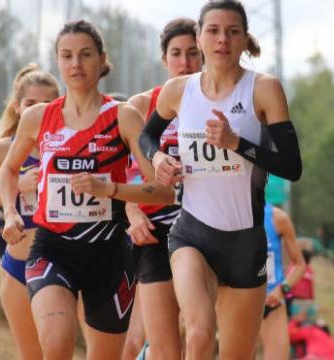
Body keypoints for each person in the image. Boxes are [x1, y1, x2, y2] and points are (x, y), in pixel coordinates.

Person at [0, 20, 174, 359]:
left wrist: (110, 189)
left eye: (85, 55)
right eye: (66, 56)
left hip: (109, 254)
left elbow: (163, 191)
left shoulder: (123, 116)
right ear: (58, 61)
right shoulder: (37, 117)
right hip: (52, 248)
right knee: (56, 343)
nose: (76, 64)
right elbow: (8, 168)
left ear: (101, 59)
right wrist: (9, 212)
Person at [138, 0, 302, 357]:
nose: (222, 40)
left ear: (245, 40)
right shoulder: (179, 91)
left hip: (245, 243)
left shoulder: (264, 89)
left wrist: (237, 144)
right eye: (213, 31)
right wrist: (159, 156)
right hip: (192, 235)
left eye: (232, 32)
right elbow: (146, 137)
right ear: (200, 38)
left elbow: (292, 167)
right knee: (197, 331)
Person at [0, 63, 60, 360]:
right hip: (17, 268)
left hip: (64, 265)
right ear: (18, 107)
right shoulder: (1, 150)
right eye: (31, 103)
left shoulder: (66, 146)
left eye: (47, 104)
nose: (38, 109)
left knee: (58, 350)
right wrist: (14, 186)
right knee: (32, 355)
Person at [121, 17, 203, 360]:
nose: (184, 62)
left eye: (193, 53)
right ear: (164, 59)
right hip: (153, 231)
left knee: (199, 333)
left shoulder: (219, 101)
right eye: (176, 53)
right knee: (164, 347)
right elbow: (119, 172)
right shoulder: (142, 105)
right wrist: (132, 210)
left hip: (204, 227)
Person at [259, 203, 306, 360]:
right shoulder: (229, 215)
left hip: (271, 303)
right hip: (240, 303)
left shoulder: (277, 218)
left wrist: (282, 289)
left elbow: (300, 264)